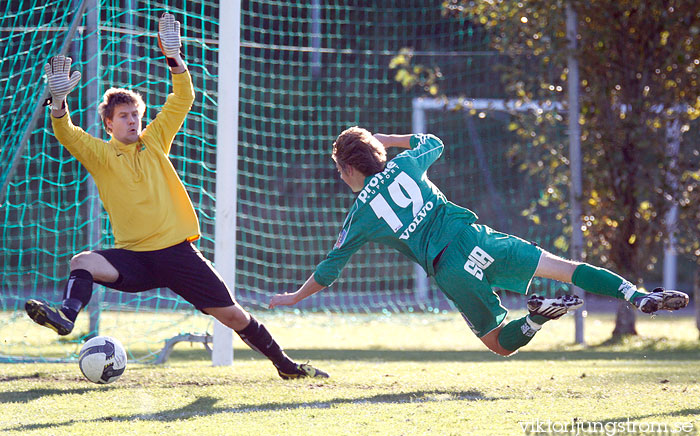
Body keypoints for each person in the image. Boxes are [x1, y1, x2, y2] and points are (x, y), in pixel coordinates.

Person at [25, 13, 328, 380]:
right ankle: (66, 318)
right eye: (124, 116)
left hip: (177, 253)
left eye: (136, 114)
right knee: (82, 261)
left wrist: (173, 55)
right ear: (108, 124)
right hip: (135, 258)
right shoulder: (101, 155)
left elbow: (184, 96)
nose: (133, 121)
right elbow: (67, 133)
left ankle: (287, 367)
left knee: (233, 315)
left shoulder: (154, 141)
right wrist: (58, 101)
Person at [269, 127, 689, 356]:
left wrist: (293, 297)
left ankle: (536, 319)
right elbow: (434, 141)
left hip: (449, 269)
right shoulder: (407, 164)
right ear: (377, 152)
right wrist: (391, 141)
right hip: (475, 236)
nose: (341, 177)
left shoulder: (361, 212)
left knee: (496, 344)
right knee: (562, 267)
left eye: (340, 170)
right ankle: (634, 294)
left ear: (346, 168)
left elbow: (330, 268)